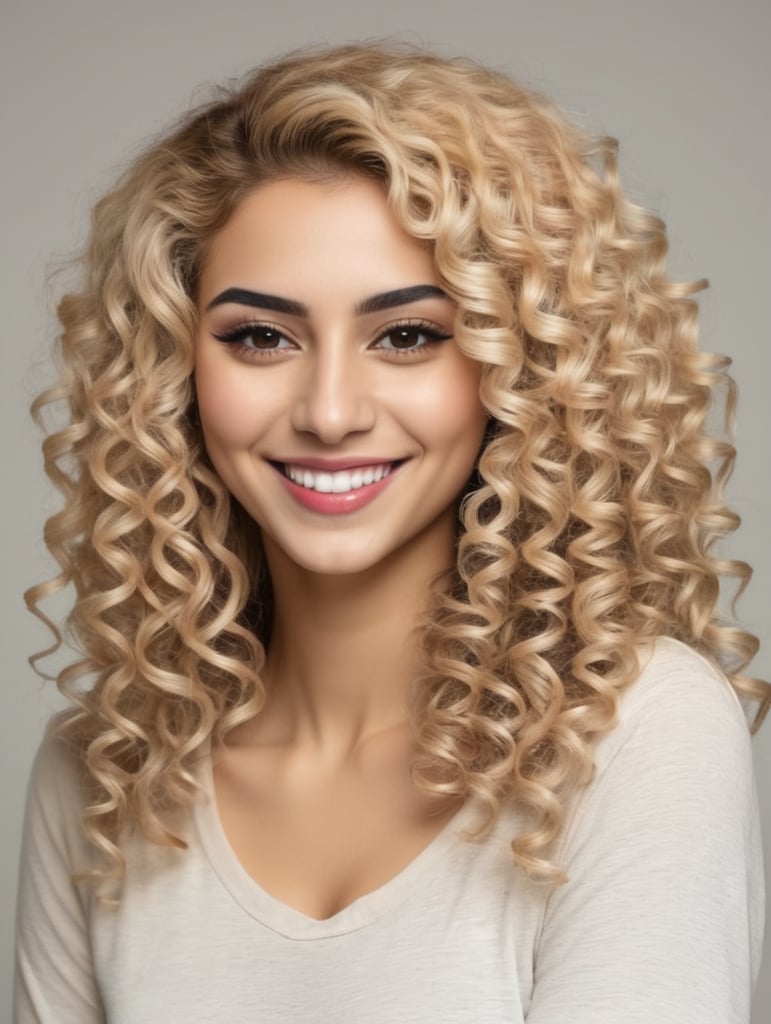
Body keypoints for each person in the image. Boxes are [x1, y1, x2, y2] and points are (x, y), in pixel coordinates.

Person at [14, 43, 768, 1023]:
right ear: (172, 371)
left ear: (520, 367)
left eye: (407, 335)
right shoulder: (102, 772)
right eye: (261, 336)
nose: (329, 411)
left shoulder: (639, 734)